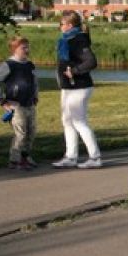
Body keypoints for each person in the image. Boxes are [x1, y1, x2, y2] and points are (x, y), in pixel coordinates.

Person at [53, 10, 102, 168]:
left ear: (69, 25)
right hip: (68, 87)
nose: (60, 26)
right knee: (67, 121)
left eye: (61, 24)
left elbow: (91, 61)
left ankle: (95, 157)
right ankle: (70, 156)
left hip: (79, 86)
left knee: (79, 121)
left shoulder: (78, 40)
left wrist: (74, 71)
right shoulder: (67, 40)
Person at [0, 36, 39, 170]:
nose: (27, 50)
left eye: (28, 47)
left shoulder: (29, 65)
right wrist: (2, 101)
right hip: (15, 104)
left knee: (31, 132)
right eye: (23, 48)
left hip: (29, 104)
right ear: (15, 49)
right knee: (20, 133)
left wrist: (35, 95)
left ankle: (25, 156)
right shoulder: (9, 65)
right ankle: (15, 159)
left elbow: (34, 81)